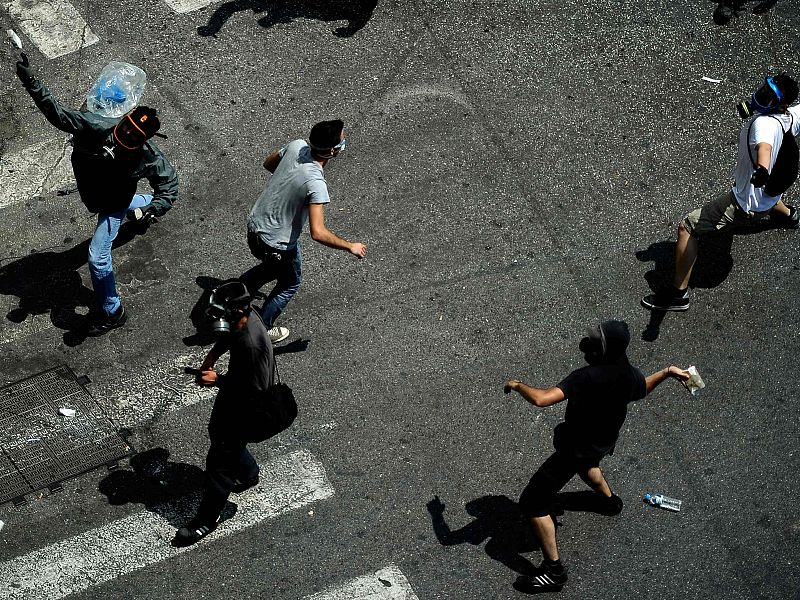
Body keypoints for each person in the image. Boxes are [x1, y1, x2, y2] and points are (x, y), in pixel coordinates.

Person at [503, 320, 690, 593]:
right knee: (589, 465)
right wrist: (666, 373)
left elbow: (542, 399)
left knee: (533, 502)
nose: (588, 343)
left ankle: (553, 571)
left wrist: (518, 384)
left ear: (602, 350)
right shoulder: (630, 375)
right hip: (602, 441)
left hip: (575, 448)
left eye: (595, 341)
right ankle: (610, 503)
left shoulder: (587, 377)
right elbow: (642, 389)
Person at [15, 54, 178, 336]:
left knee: (97, 258)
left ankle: (112, 311)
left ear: (143, 141)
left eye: (132, 135)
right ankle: (143, 212)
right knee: (136, 205)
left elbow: (170, 185)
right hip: (99, 193)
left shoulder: (149, 157)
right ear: (123, 118)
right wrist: (31, 81)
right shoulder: (98, 125)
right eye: (125, 127)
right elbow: (58, 114)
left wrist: (159, 205)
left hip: (111, 202)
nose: (123, 135)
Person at [642, 73, 800, 312]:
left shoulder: (763, 125)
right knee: (767, 200)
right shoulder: (789, 117)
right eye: (764, 89)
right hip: (768, 194)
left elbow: (764, 148)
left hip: (745, 203)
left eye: (769, 97)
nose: (761, 96)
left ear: (780, 104)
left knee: (688, 227)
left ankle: (678, 296)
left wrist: (762, 170)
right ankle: (789, 215)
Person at [174, 281, 292, 546]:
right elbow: (228, 336)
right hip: (234, 397)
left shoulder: (252, 347)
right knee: (217, 433)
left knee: (220, 462)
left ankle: (206, 520)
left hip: (247, 406)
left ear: (239, 311)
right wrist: (210, 359)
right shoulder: (247, 316)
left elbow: (254, 391)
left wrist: (217, 380)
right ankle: (248, 474)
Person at [240, 119, 367, 344]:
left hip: (255, 226)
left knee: (271, 269)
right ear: (333, 151)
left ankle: (237, 292)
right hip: (277, 242)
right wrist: (350, 246)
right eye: (342, 140)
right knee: (290, 282)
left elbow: (269, 164)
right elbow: (318, 232)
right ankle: (262, 330)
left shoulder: (296, 145)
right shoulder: (315, 183)